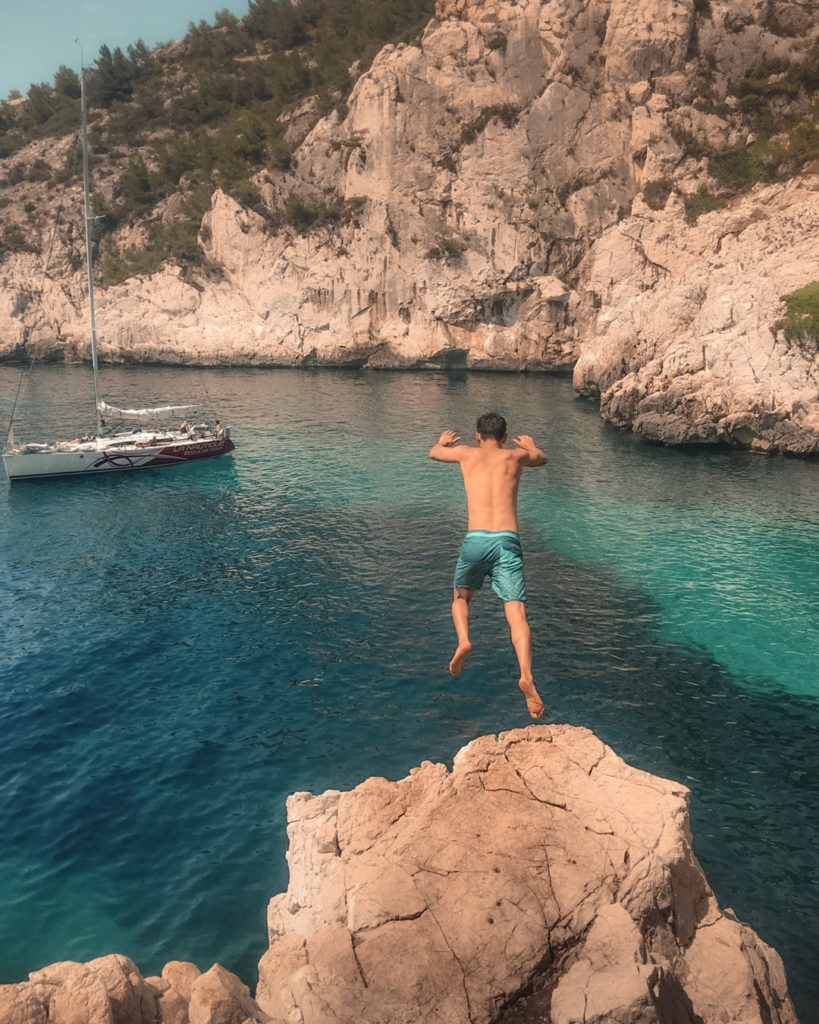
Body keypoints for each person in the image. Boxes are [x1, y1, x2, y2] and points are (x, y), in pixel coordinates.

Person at [429, 412, 547, 719]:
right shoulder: (515, 457)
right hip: (507, 541)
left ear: (477, 436)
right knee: (516, 613)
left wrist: (442, 442)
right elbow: (541, 459)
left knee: (461, 596)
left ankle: (464, 640)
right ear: (505, 437)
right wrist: (530, 446)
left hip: (476, 539)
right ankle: (526, 675)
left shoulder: (466, 454)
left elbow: (434, 453)